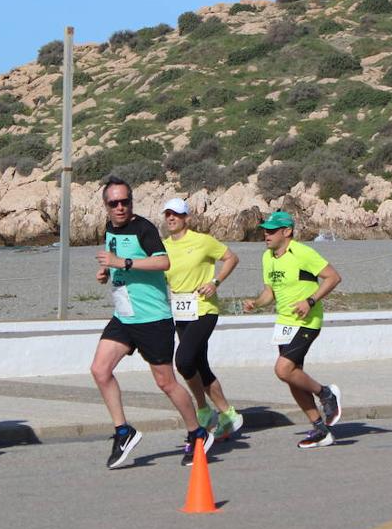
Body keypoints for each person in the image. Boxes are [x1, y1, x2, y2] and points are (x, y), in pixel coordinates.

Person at [89, 177, 213, 468]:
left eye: (125, 202)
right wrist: (106, 271)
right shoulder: (110, 228)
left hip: (152, 319)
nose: (120, 208)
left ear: (131, 202)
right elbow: (116, 258)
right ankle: (123, 431)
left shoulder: (143, 229)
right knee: (100, 370)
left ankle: (197, 433)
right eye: (114, 203)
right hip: (124, 316)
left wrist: (124, 264)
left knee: (166, 382)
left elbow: (162, 262)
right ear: (106, 206)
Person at [243, 211, 344, 449]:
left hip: (307, 321)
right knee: (293, 377)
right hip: (285, 324)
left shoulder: (302, 252)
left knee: (283, 369)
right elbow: (270, 292)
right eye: (265, 230)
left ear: (286, 232)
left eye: (271, 230)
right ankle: (320, 429)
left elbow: (333, 277)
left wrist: (310, 301)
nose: (266, 235)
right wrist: (256, 303)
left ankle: (326, 393)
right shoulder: (268, 257)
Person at [161, 197, 245, 441]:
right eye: (167, 214)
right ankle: (219, 413)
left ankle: (210, 411)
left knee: (183, 361)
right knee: (197, 365)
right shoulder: (163, 245)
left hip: (204, 310)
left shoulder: (203, 241)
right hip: (181, 311)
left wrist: (215, 282)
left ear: (187, 217)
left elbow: (232, 258)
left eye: (176, 214)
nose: (171, 218)